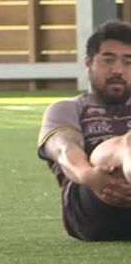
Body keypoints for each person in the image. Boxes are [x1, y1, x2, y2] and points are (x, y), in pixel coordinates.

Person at [38, 19, 131, 241]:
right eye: (108, 60)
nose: (118, 70)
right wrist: (90, 176)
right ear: (88, 63)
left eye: (128, 62)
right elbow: (63, 150)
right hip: (91, 207)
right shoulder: (67, 109)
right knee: (126, 144)